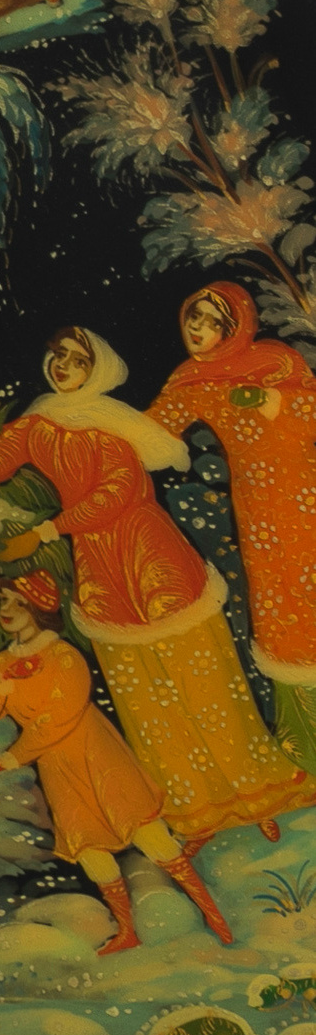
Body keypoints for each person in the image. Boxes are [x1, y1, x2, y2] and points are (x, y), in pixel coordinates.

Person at [0, 325, 311, 851]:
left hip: (154, 558)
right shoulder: (39, 422)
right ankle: (196, 810)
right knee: (144, 699)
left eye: (77, 360)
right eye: (58, 355)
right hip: (101, 569)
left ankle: (258, 795)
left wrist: (46, 531)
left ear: (96, 369)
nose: (63, 366)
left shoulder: (112, 421)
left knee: (205, 685)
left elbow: (117, 492)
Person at [0, 573, 231, 949]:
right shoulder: (4, 662)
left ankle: (213, 915)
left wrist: (9, 758)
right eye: (4, 600)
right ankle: (127, 932)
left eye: (19, 603)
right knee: (88, 848)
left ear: (39, 610)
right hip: (57, 768)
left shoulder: (63, 656)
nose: (8, 610)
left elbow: (59, 717)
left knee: (147, 833)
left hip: (96, 754)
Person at [146, 282, 316, 773]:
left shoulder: (275, 360)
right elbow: (153, 431)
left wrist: (272, 401)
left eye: (213, 322)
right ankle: (306, 741)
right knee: (277, 608)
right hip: (257, 509)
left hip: (305, 493)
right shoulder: (190, 379)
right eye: (193, 319)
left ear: (235, 325)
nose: (199, 330)